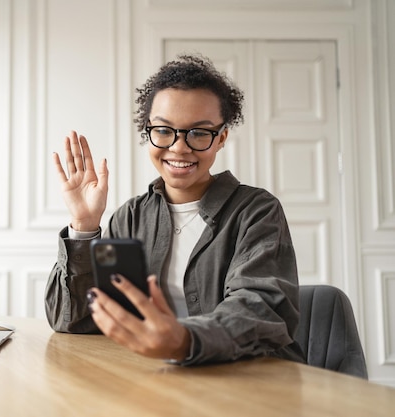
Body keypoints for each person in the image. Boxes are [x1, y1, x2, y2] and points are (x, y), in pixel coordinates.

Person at [44, 54, 305, 365]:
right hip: (158, 381)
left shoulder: (256, 212)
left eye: (199, 132)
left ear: (221, 138)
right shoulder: (129, 218)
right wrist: (83, 225)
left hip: (249, 381)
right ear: (148, 131)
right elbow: (71, 322)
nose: (179, 147)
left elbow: (260, 310)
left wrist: (183, 341)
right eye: (165, 130)